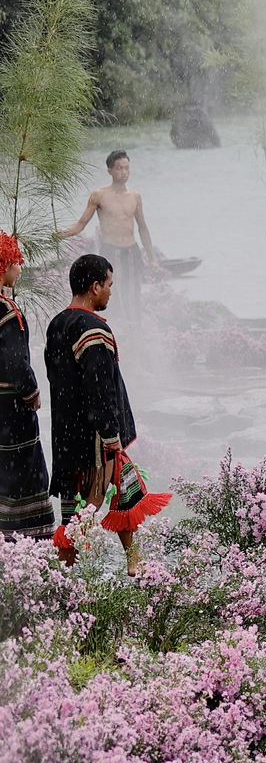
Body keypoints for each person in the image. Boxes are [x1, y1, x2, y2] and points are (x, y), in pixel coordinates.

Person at [47, 254, 167, 572]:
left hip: (65, 434)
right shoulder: (94, 329)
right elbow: (99, 387)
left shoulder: (57, 324)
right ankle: (67, 576)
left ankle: (132, 560)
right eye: (109, 285)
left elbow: (55, 379)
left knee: (125, 486)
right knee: (86, 509)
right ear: (94, 286)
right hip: (95, 437)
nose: (111, 292)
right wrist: (110, 435)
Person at [58, 151, 160, 315]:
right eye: (119, 168)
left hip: (131, 250)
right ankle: (113, 328)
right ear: (110, 170)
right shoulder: (99, 196)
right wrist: (61, 234)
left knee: (134, 293)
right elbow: (81, 224)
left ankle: (135, 329)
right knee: (110, 294)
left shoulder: (135, 196)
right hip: (110, 250)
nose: (124, 172)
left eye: (127, 168)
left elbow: (143, 228)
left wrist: (152, 258)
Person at [0, 234, 53, 539]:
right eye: (15, 262)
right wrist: (31, 391)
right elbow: (16, 361)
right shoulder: (8, 312)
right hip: (10, 406)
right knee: (21, 464)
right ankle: (25, 535)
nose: (19, 268)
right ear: (3, 266)